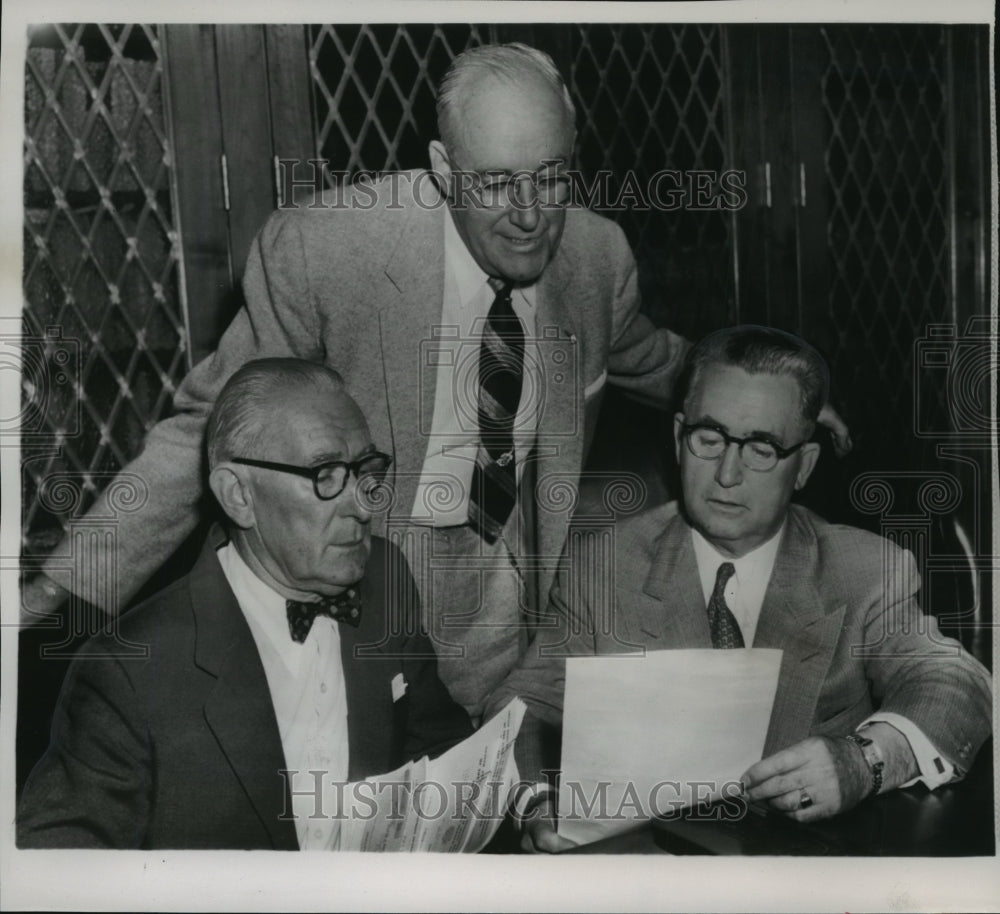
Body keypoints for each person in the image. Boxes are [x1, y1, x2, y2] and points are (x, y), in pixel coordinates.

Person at [22, 43, 849, 720]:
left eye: (552, 176)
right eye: (496, 183)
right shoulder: (327, 251)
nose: (531, 215)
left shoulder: (596, 257)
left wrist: (787, 401)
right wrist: (66, 581)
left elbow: (652, 356)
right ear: (444, 168)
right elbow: (209, 430)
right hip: (359, 585)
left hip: (511, 599)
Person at [489, 325, 991, 835]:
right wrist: (537, 799)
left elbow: (957, 682)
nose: (727, 473)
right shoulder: (602, 566)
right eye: (709, 438)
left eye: (761, 449)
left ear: (803, 467)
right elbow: (526, 705)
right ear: (679, 440)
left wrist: (864, 763)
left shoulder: (862, 571)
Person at [17, 360, 476, 849]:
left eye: (367, 471)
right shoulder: (126, 669)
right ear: (238, 496)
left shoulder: (386, 578)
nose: (364, 505)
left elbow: (439, 747)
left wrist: (522, 805)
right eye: (326, 475)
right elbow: (59, 862)